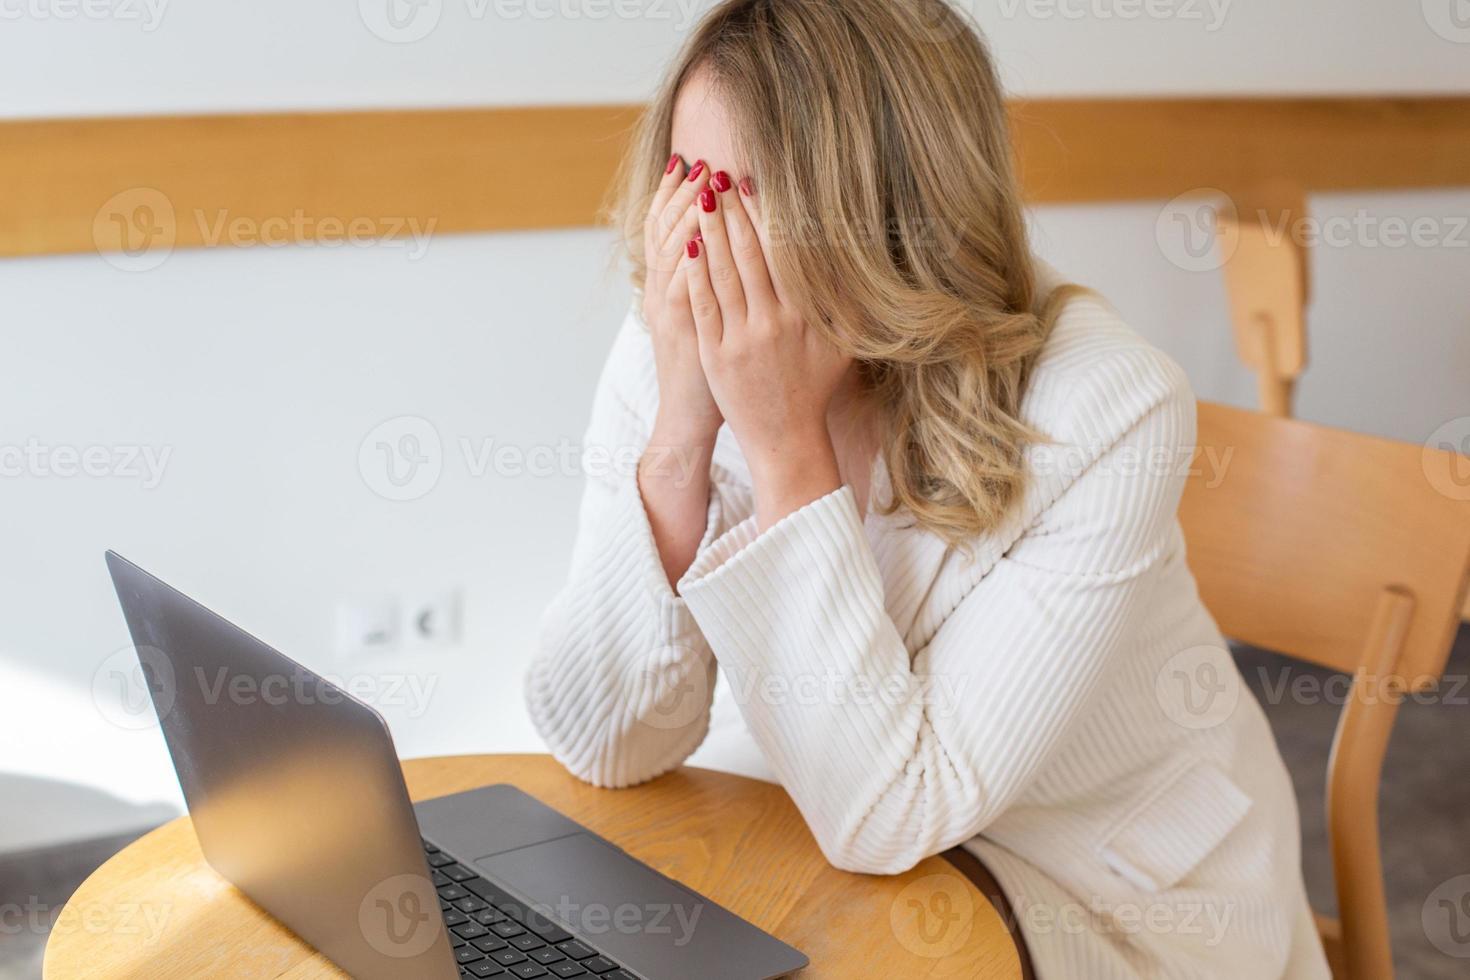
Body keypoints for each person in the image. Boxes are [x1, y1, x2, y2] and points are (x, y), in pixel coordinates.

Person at [526, 2, 1329, 976]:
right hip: (839, 828)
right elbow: (603, 741)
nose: (704, 243)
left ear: (890, 218)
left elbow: (890, 813)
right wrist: (680, 439)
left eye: (749, 199)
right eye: (691, 183)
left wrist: (786, 450)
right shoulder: (690, 325)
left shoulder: (1111, 405)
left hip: (1097, 880)